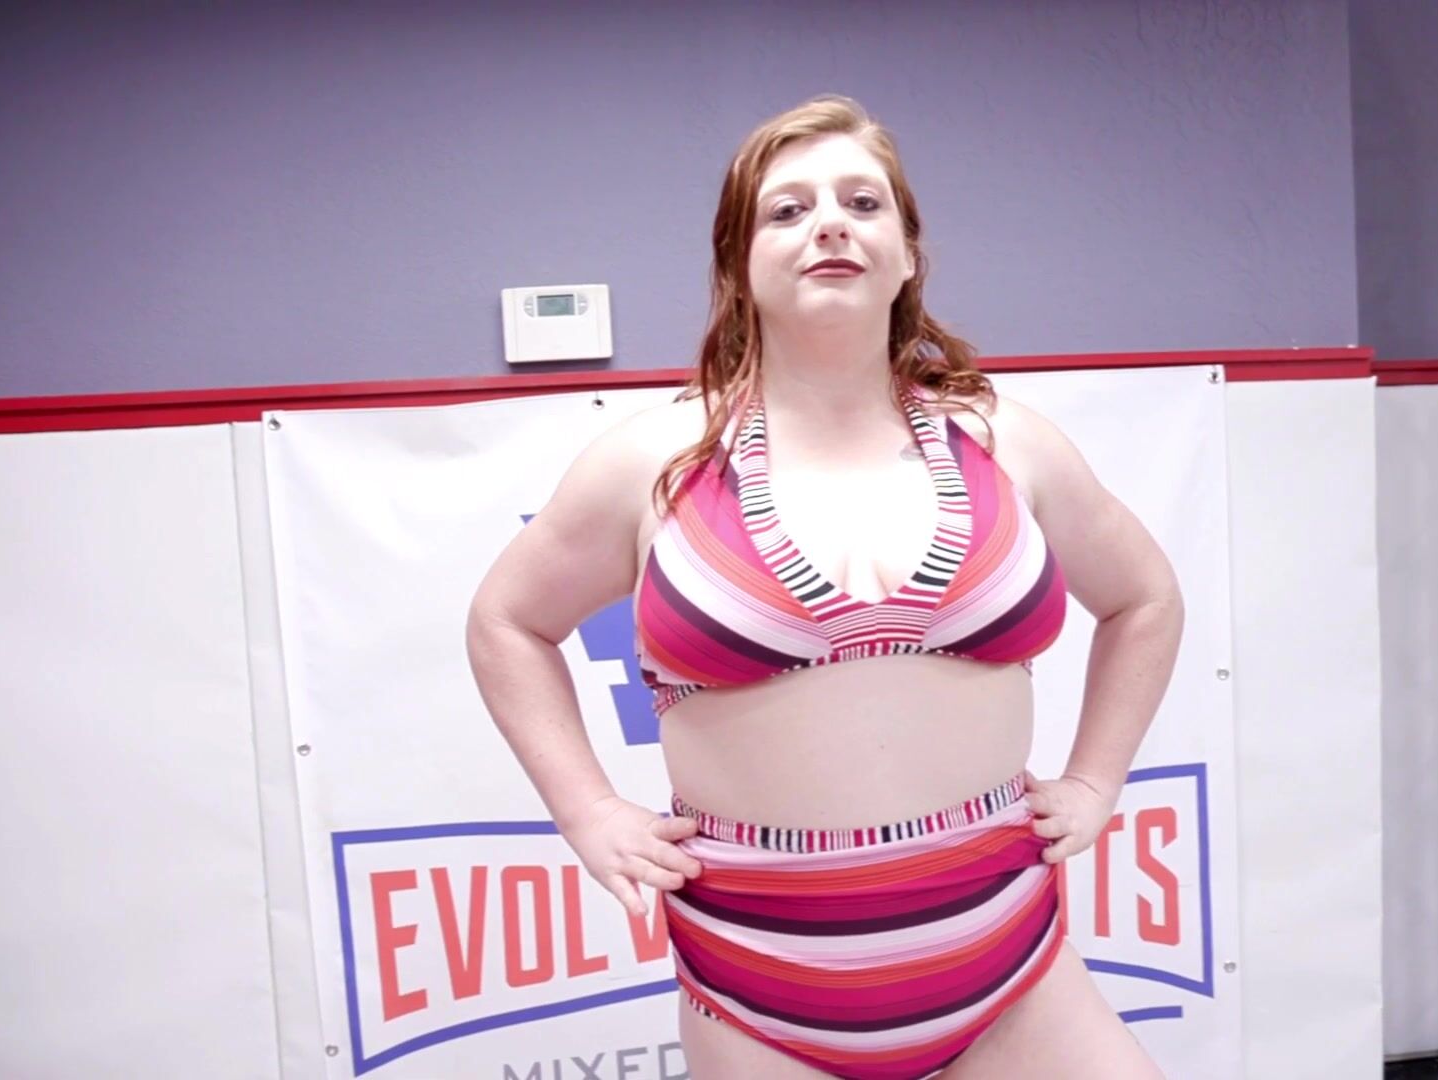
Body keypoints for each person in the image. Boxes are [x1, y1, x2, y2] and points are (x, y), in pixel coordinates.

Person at [466, 95, 1184, 1080]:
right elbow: (506, 621)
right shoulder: (650, 464)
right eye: (788, 210)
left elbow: (1146, 599)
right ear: (739, 264)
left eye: (862, 202)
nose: (831, 224)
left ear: (907, 254)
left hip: (1012, 971)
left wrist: (1096, 782)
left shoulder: (1010, 443)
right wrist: (588, 810)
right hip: (760, 996)